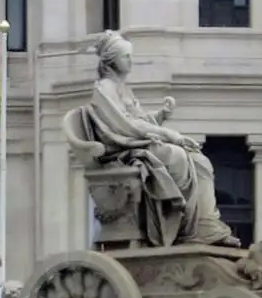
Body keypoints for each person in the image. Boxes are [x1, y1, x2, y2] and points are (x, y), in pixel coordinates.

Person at [79, 31, 239, 248]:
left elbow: (140, 120)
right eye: (126, 57)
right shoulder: (105, 89)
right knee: (178, 157)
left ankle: (204, 224)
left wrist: (160, 116)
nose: (131, 62)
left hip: (138, 144)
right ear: (111, 60)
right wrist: (172, 135)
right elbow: (126, 126)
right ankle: (183, 227)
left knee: (201, 162)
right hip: (123, 152)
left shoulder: (123, 89)